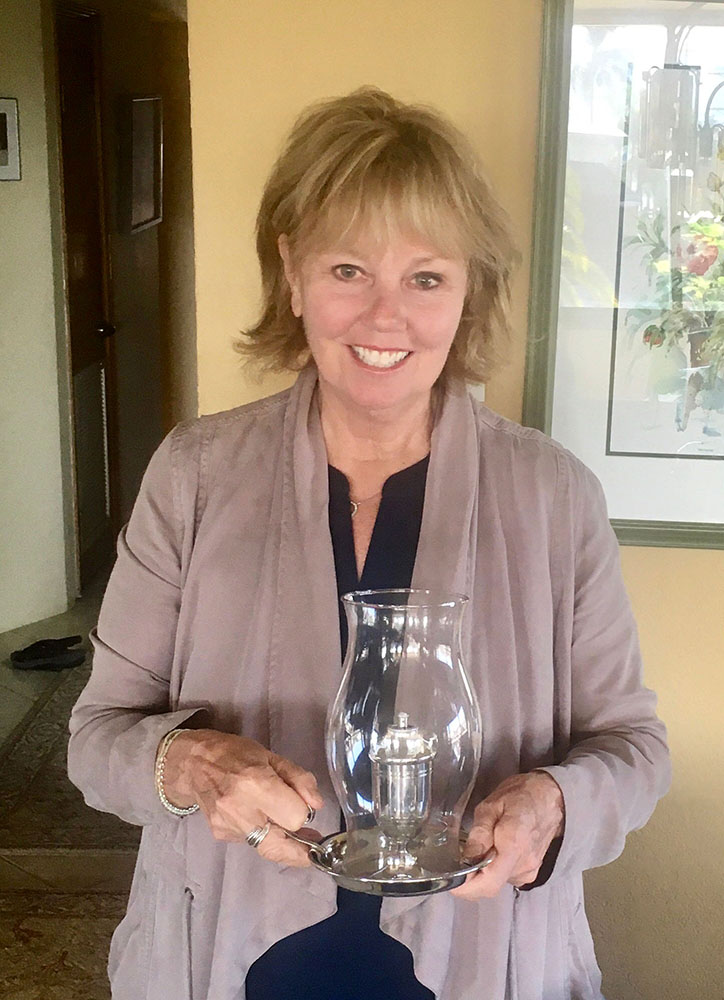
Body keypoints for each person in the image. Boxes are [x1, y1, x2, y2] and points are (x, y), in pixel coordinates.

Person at [68, 87, 671, 1000]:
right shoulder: (194, 473)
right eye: (349, 269)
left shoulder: (554, 497)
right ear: (292, 269)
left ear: (469, 291)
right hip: (224, 957)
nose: (385, 318)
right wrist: (186, 763)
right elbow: (95, 737)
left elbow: (633, 747)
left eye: (426, 278)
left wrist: (555, 803)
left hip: (485, 960)